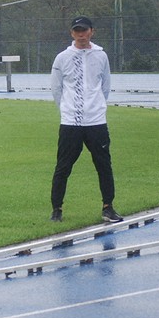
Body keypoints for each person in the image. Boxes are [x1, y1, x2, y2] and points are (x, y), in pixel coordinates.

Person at [49, 15, 123, 224]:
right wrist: (66, 109)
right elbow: (56, 88)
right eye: (77, 31)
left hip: (96, 121)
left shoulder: (101, 56)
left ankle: (108, 207)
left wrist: (96, 106)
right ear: (72, 33)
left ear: (92, 31)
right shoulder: (62, 57)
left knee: (104, 165)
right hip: (70, 122)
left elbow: (105, 85)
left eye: (84, 30)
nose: (81, 34)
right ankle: (57, 209)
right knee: (63, 166)